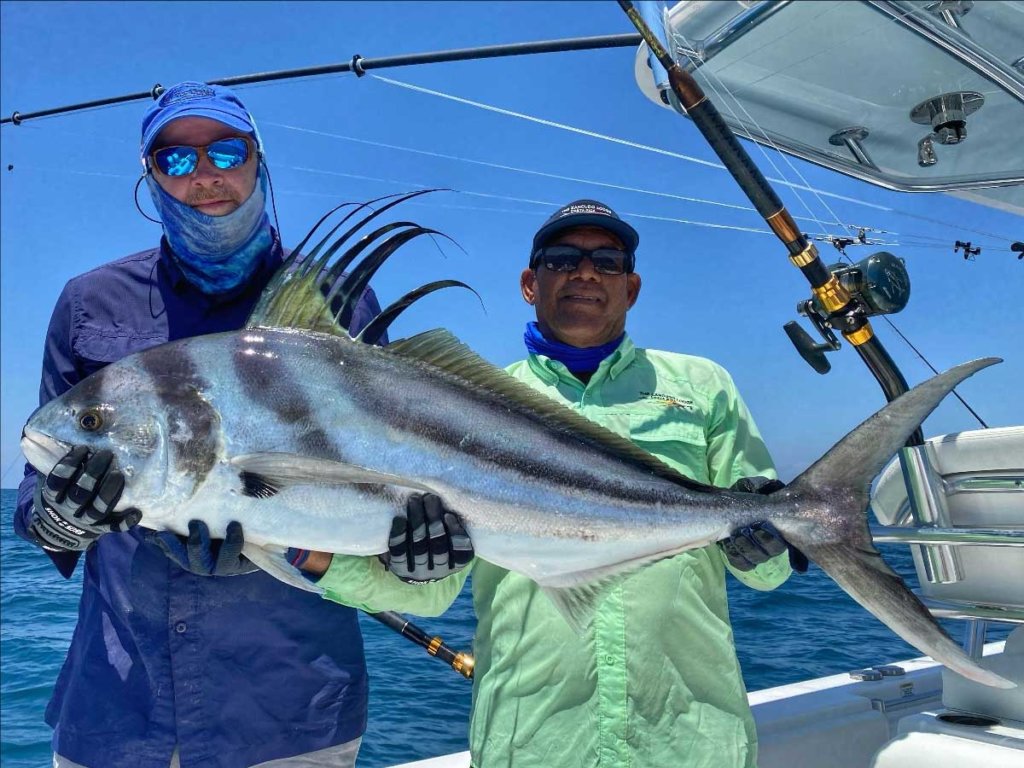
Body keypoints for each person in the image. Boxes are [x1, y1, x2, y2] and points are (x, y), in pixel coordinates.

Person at [292, 199, 806, 768]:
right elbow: (431, 593)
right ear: (529, 284)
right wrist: (311, 554)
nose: (585, 272)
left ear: (631, 288)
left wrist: (767, 542)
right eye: (562, 259)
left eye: (607, 262)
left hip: (689, 739)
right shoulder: (467, 404)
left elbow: (769, 574)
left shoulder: (705, 388)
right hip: (537, 740)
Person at [14, 81, 389, 768]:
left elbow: (387, 474)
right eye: (176, 161)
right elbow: (39, 491)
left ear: (258, 160)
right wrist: (59, 521)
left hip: (290, 708)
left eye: (225, 150)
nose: (206, 175)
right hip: (118, 706)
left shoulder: (337, 302)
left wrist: (415, 550)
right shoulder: (89, 302)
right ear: (151, 178)